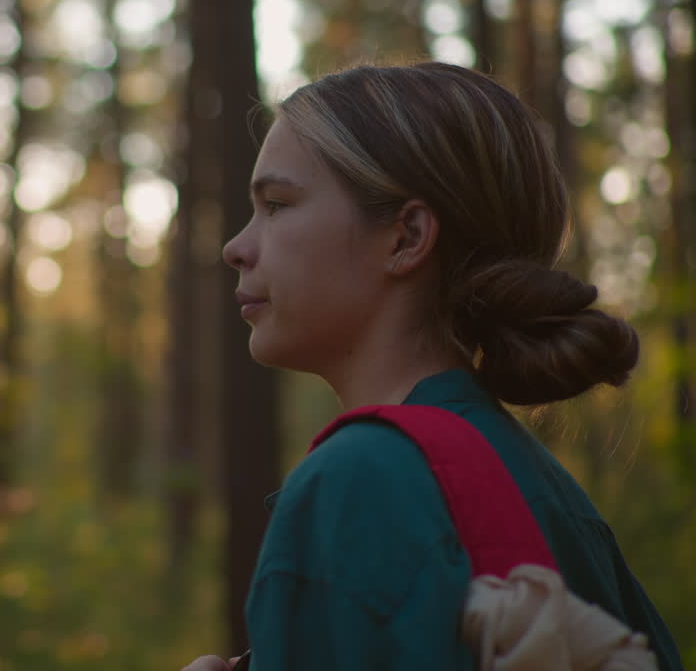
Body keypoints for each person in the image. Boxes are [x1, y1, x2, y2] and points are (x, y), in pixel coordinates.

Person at [183, 62, 684, 670]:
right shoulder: (552, 495)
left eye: (279, 205)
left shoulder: (356, 481)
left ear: (407, 237)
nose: (236, 246)